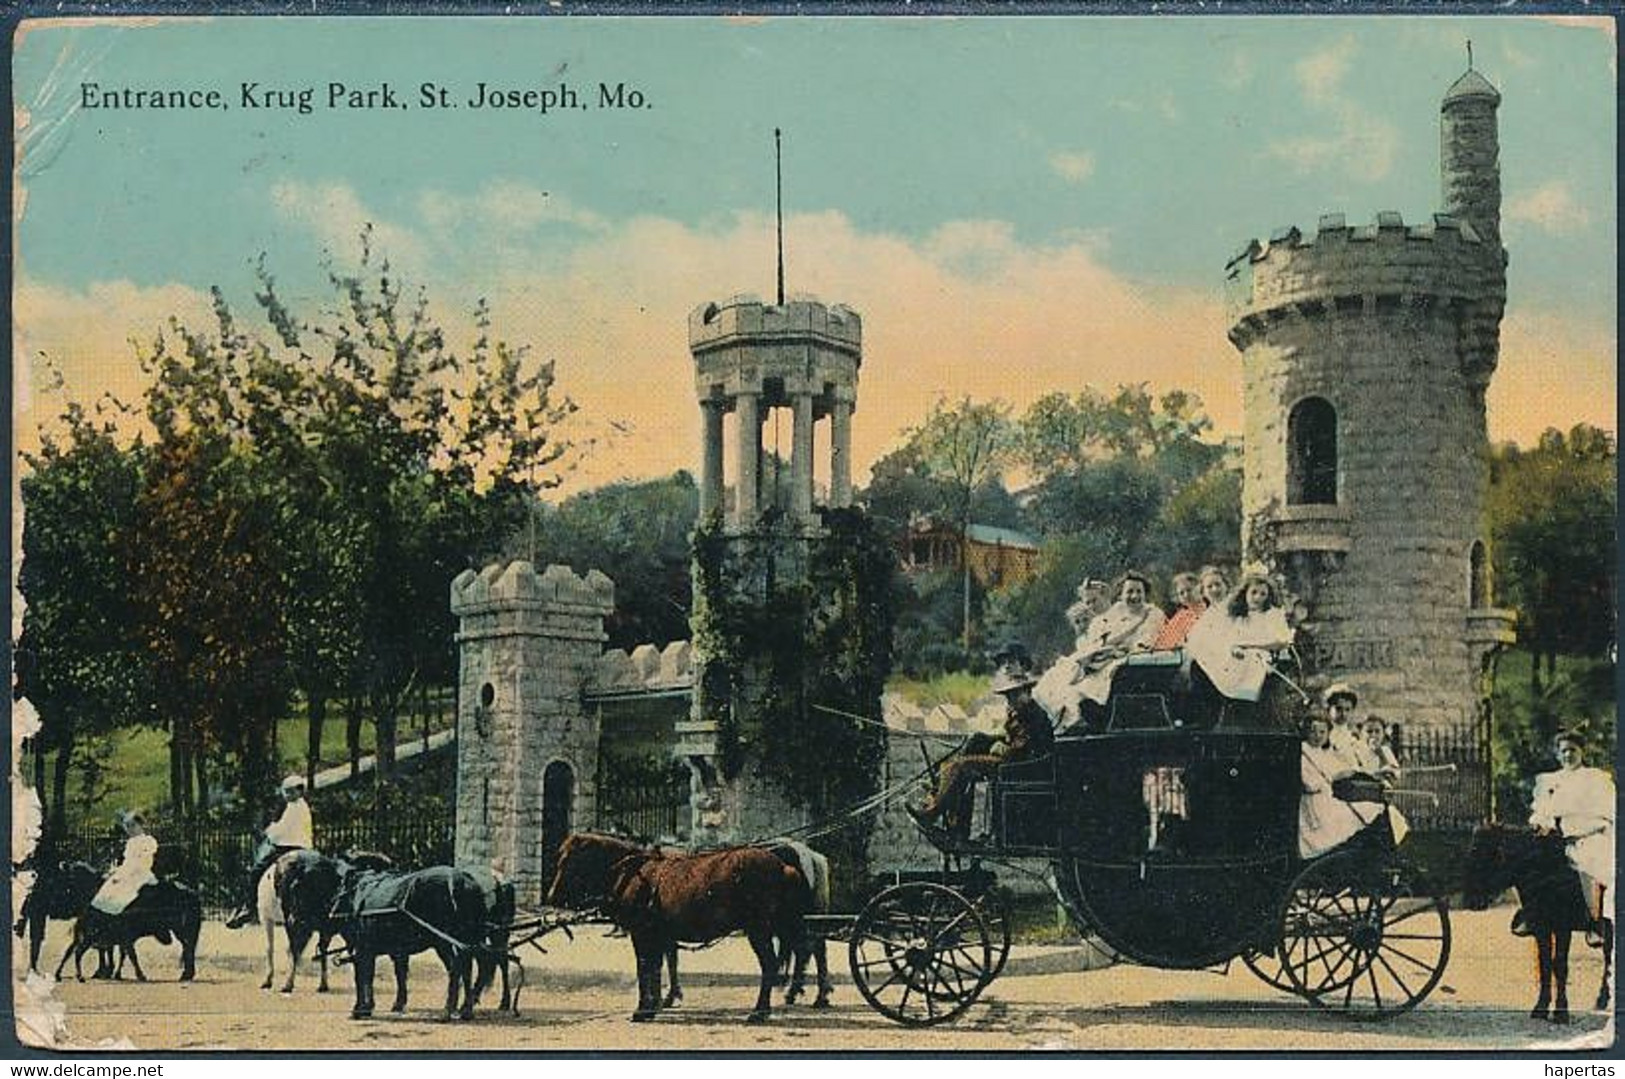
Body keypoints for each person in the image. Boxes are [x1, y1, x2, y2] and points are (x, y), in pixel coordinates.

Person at [908, 655, 1053, 833]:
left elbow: (1022, 748)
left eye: (1014, 695)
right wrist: (992, 741)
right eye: (1008, 696)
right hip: (1013, 762)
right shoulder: (1021, 711)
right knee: (963, 753)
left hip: (1020, 767)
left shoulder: (1033, 716)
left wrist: (1003, 748)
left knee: (961, 767)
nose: (1010, 701)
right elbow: (1011, 738)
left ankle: (933, 813)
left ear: (1026, 693)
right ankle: (941, 801)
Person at [1525, 729, 1615, 947]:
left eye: (1573, 750)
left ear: (1582, 752)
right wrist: (1541, 823)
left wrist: (1583, 828)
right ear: (1558, 754)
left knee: (1587, 867)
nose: (1568, 755)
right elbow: (1541, 811)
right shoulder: (1549, 781)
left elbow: (1605, 811)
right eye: (1564, 751)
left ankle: (1595, 922)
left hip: (1589, 837)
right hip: (1558, 839)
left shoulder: (1595, 778)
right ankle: (1531, 914)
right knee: (1531, 865)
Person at [1036, 572, 1166, 720]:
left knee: (1087, 684)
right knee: (1060, 677)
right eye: (1129, 591)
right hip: (1106, 656)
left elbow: (1146, 643)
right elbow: (1103, 640)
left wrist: (1121, 648)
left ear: (1145, 594)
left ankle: (1089, 713)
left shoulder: (1153, 613)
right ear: (1121, 594)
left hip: (1131, 660)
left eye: (1139, 591)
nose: (1134, 596)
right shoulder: (1117, 611)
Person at [1298, 714, 1402, 860]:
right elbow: (1310, 783)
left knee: (1373, 809)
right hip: (1317, 803)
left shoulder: (1323, 753)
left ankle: (1380, 853)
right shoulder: (1303, 753)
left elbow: (1340, 770)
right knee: (1365, 813)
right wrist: (1330, 780)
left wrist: (1354, 773)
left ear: (1328, 734)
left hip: (1328, 798)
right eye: (1313, 731)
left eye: (1322, 732)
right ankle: (1373, 853)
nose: (1317, 736)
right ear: (1305, 733)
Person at [1185, 572, 1293, 702]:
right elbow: (1232, 638)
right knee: (1202, 664)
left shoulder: (1272, 614)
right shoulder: (1241, 615)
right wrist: (1234, 647)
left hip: (1262, 657)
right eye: (1253, 593)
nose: (1257, 598)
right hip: (1239, 656)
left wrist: (1248, 645)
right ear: (1245, 594)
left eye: (1263, 594)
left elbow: (1282, 640)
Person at [226, 774, 315, 928]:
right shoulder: (302, 807)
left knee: (256, 871)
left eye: (291, 791)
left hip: (287, 848)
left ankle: (250, 908)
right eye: (286, 792)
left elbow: (281, 830)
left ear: (299, 792)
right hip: (306, 848)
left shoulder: (294, 808)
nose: (288, 795)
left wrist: (268, 833)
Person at [89, 811, 159, 915]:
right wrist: (117, 871)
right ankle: (107, 914)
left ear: (141, 825)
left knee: (124, 888)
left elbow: (142, 862)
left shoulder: (148, 841)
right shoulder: (130, 843)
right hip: (128, 871)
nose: (130, 829)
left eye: (133, 825)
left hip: (140, 872)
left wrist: (125, 873)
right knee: (109, 886)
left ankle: (117, 912)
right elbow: (127, 862)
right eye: (127, 826)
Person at [1151, 571, 1204, 650]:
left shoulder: (1207, 611)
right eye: (1181, 593)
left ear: (1199, 588)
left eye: (1189, 590)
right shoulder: (1180, 616)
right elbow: (1165, 639)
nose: (1186, 595)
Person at [1322, 682, 1362, 762]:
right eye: (1338, 709)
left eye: (1347, 709)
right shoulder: (1323, 734)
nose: (1344, 714)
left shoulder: (1354, 735)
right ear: (1328, 709)